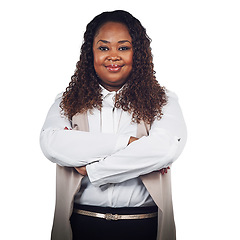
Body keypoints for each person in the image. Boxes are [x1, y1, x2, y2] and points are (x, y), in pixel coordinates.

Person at [40, 10, 187, 240]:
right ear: (91, 54)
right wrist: (129, 144)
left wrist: (92, 169)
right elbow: (52, 143)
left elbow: (165, 149)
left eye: (123, 47)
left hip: (143, 227)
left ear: (137, 54)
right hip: (82, 225)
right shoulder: (67, 101)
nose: (113, 56)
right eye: (103, 47)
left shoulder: (163, 100)